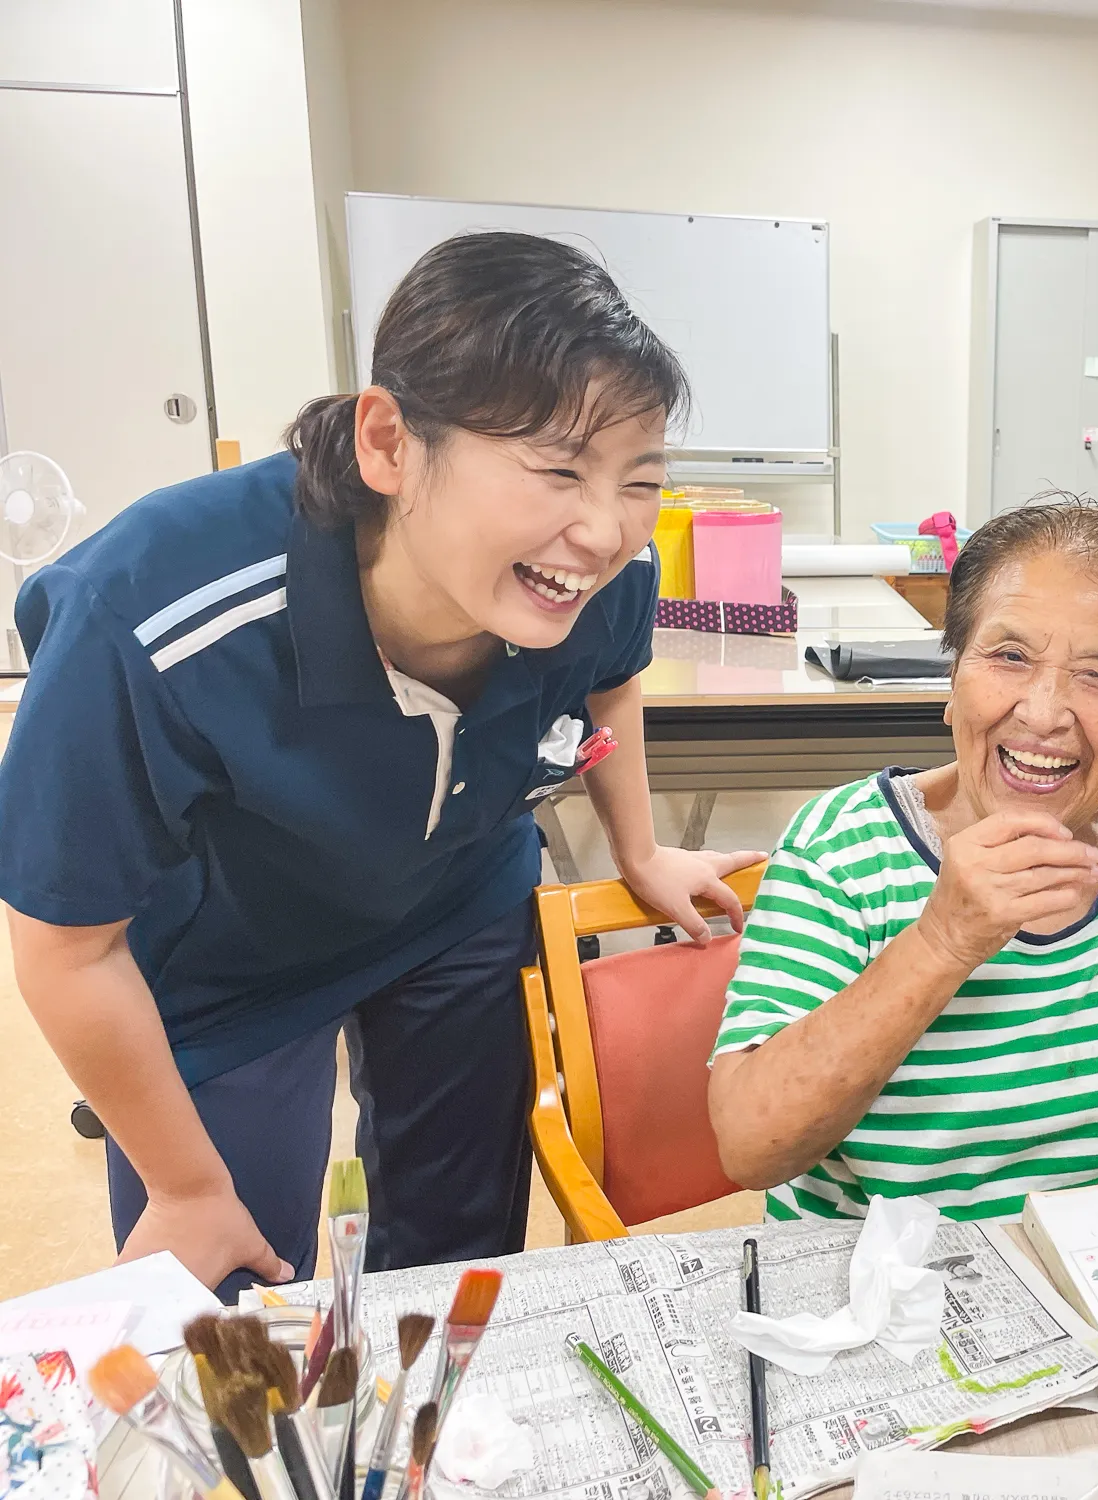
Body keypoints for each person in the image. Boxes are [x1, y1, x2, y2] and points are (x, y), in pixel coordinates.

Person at [0, 232, 760, 1296]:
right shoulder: (150, 617)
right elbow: (65, 949)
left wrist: (638, 851)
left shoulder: (593, 573)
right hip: (232, 959)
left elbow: (611, 682)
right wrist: (180, 1189)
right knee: (232, 1305)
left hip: (455, 903)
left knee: (452, 1277)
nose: (601, 530)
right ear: (389, 443)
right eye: (555, 468)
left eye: (639, 480)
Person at [707, 498, 1098, 1220]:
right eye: (1010, 657)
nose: (1044, 713)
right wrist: (942, 940)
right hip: (895, 1306)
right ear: (953, 681)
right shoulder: (840, 853)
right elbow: (749, 1148)